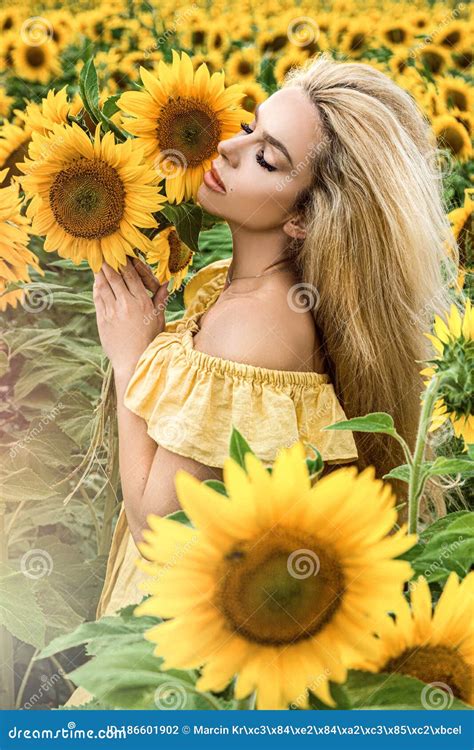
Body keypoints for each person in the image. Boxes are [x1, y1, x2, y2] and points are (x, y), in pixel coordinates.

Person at [64, 53, 455, 707]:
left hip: (176, 654)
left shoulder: (255, 326)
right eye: (250, 125)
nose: (229, 147)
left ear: (304, 217)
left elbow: (157, 529)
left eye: (267, 158)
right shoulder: (257, 294)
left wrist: (131, 358)